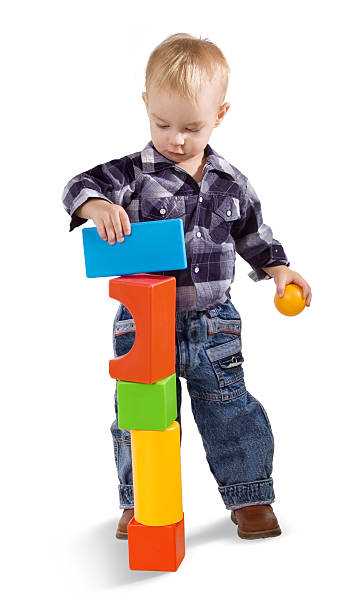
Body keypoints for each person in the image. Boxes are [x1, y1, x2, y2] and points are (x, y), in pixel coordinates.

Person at [62, 33, 312, 541]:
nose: (175, 138)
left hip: (214, 321)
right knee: (140, 418)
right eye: (162, 124)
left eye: (191, 127)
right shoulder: (129, 175)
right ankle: (141, 503)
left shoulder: (231, 182)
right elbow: (75, 187)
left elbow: (253, 234)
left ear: (220, 115)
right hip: (143, 323)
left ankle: (250, 496)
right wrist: (99, 208)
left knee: (230, 407)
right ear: (146, 106)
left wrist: (280, 269)